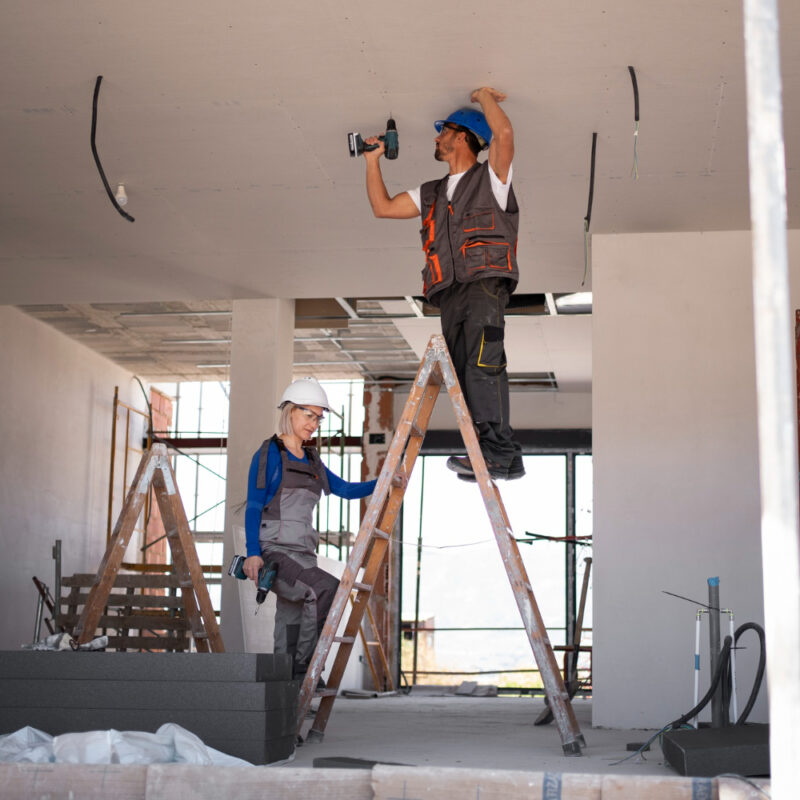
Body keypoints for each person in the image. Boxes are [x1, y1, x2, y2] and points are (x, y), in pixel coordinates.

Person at [361, 86, 524, 482]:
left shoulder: (493, 178)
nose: (436, 138)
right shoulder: (431, 193)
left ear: (463, 137)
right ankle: (495, 454)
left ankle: (498, 452)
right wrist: (372, 162)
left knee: (483, 366)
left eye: (443, 131)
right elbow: (383, 208)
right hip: (449, 293)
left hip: (484, 284)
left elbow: (503, 136)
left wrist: (485, 97)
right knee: (464, 375)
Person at [242, 377, 376, 677]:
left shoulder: (313, 460)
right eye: (309, 415)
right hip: (275, 552)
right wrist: (253, 553)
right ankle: (307, 670)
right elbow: (253, 505)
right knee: (325, 588)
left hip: (304, 554)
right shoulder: (269, 455)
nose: (315, 423)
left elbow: (346, 489)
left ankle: (285, 692)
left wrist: (384, 483)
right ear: (290, 411)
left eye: (319, 417)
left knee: (289, 625)